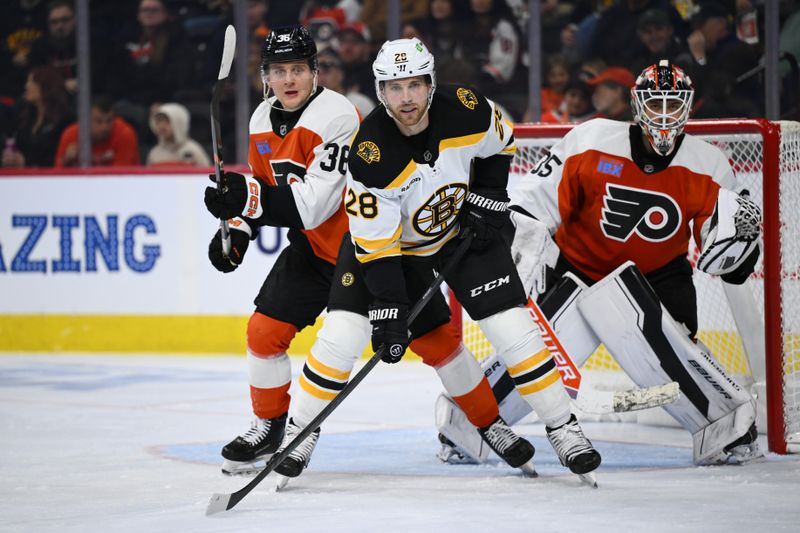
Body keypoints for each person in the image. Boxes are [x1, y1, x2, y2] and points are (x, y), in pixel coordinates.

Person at [205, 29, 536, 483]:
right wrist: (239, 229)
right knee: (263, 333)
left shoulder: (337, 115)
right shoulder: (261, 120)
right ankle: (270, 427)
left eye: (298, 69)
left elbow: (311, 204)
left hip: (368, 252)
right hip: (311, 250)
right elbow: (266, 188)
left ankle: (489, 424)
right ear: (265, 77)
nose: (289, 79)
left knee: (439, 344)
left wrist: (245, 198)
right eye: (279, 71)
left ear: (315, 72)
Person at [438, 60, 763, 467]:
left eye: (673, 105)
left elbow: (729, 257)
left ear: (689, 107)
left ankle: (726, 429)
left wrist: (740, 247)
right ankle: (470, 427)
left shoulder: (709, 163)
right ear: (636, 105)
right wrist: (520, 249)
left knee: (677, 357)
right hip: (578, 269)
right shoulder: (590, 139)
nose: (664, 115)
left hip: (660, 278)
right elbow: (533, 204)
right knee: (535, 354)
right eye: (655, 104)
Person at [340, 37, 600, 480]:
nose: (406, 99)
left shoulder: (465, 108)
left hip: (465, 233)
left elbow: (502, 143)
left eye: (415, 86)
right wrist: (388, 310)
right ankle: (491, 426)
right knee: (445, 350)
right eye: (395, 88)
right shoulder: (369, 153)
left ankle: (563, 427)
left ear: (431, 84)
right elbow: (377, 245)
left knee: (514, 330)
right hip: (405, 256)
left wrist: (490, 196)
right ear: (380, 92)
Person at [2, 66, 72, 168]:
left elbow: (58, 157)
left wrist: (26, 163)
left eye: (32, 82)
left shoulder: (64, 120)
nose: (26, 86)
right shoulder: (26, 119)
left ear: (46, 86)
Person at [54, 95, 140, 167]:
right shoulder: (71, 135)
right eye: (99, 121)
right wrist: (66, 161)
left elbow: (121, 176)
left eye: (109, 121)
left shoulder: (124, 134)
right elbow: (55, 176)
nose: (105, 127)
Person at [145, 102, 210, 166]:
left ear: (179, 123)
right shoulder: (154, 153)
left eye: (167, 121)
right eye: (159, 121)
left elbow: (207, 174)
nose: (161, 126)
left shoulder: (194, 150)